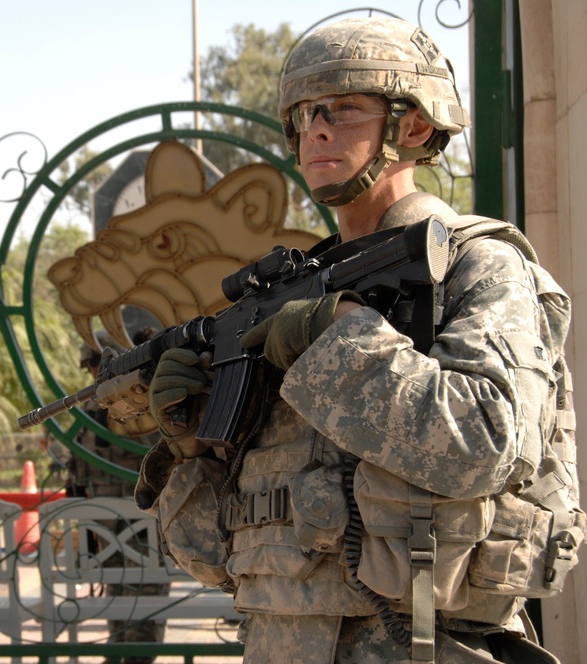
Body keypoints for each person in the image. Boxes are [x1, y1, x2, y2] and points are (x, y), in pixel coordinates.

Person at [135, 16, 580, 664]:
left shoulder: (472, 266)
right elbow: (218, 562)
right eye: (304, 114)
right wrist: (187, 448)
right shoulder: (287, 300)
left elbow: (487, 442)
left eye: (342, 109)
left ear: (415, 126)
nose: (315, 129)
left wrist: (338, 339)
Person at [69, 329, 169, 664]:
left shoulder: (138, 411)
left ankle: (128, 655)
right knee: (129, 605)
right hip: (123, 530)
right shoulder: (99, 417)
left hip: (134, 528)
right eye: (93, 366)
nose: (95, 373)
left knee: (138, 610)